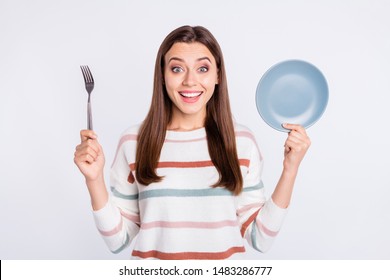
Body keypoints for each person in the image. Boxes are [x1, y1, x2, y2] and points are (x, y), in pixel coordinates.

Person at [74, 25, 311, 260]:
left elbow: (261, 237)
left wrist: (290, 169)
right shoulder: (134, 141)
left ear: (218, 75)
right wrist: (94, 180)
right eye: (177, 69)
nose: (190, 81)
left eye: (202, 68)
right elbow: (117, 240)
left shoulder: (241, 141)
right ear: (162, 75)